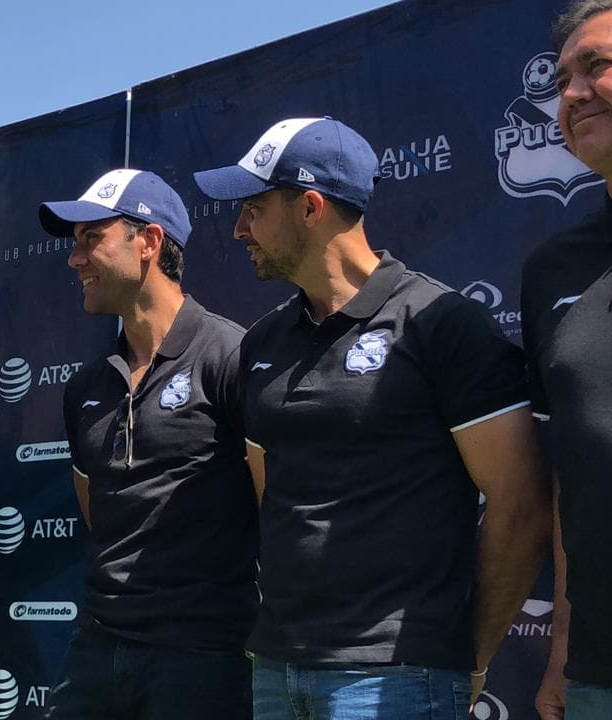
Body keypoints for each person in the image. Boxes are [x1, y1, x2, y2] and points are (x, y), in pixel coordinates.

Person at [193, 117, 550, 719]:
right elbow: (270, 491)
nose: (237, 229)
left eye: (252, 209)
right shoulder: (261, 344)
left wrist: (469, 655)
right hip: (278, 670)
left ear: (310, 207)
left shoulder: (440, 322)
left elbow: (520, 506)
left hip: (398, 679)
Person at [36, 169, 257, 719]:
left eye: (92, 239)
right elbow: (96, 510)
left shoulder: (232, 356)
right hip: (97, 648)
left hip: (204, 655)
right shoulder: (87, 385)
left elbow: (273, 503)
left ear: (149, 243)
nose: (74, 259)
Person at [527, 3, 612, 717]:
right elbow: (567, 479)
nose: (573, 94)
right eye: (563, 79)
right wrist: (559, 649)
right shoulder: (555, 269)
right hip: (596, 675)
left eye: (598, 66)